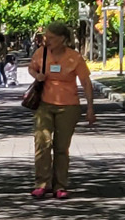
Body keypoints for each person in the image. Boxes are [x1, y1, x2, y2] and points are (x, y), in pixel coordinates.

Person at [27, 22, 97, 200]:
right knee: (42, 143)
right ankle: (41, 184)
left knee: (61, 147)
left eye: (51, 37)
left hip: (68, 106)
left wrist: (90, 107)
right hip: (44, 104)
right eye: (46, 37)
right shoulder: (41, 53)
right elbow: (31, 68)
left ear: (62, 39)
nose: (47, 40)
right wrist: (37, 75)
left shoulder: (74, 57)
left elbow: (86, 82)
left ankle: (60, 185)